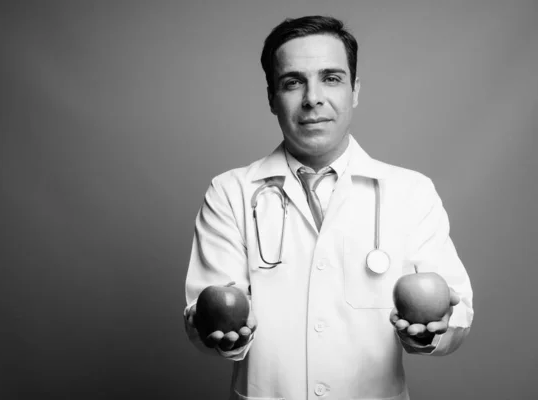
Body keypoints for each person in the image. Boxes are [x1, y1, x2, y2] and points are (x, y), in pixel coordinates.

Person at [183, 15, 474, 400]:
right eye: (292, 82)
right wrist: (225, 336)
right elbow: (205, 316)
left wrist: (431, 332)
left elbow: (458, 312)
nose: (313, 98)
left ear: (354, 91)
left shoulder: (412, 192)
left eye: (331, 78)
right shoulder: (230, 192)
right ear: (271, 97)